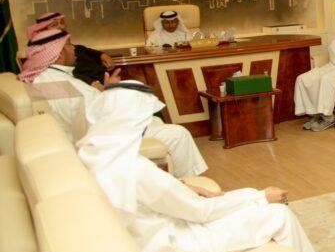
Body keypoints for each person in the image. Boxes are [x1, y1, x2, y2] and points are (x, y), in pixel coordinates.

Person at [77, 82, 318, 252]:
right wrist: (261, 196)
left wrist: (181, 185)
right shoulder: (135, 168)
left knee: (242, 198)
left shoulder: (92, 152)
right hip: (173, 246)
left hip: (149, 238)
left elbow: (153, 194)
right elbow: (202, 212)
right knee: (278, 214)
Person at [20, 28, 209, 178]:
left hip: (101, 131)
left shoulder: (51, 77)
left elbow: (84, 110)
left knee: (153, 115)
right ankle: (188, 186)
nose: (74, 49)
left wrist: (106, 91)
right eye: (69, 45)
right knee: (178, 134)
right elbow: (85, 122)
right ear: (59, 54)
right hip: (101, 141)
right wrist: (113, 95)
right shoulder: (54, 83)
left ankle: (178, 185)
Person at [29, 12, 113, 88]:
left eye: (62, 22)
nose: (61, 27)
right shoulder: (45, 54)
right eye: (54, 25)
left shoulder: (74, 48)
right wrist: (93, 83)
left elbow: (85, 50)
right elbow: (72, 73)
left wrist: (103, 56)